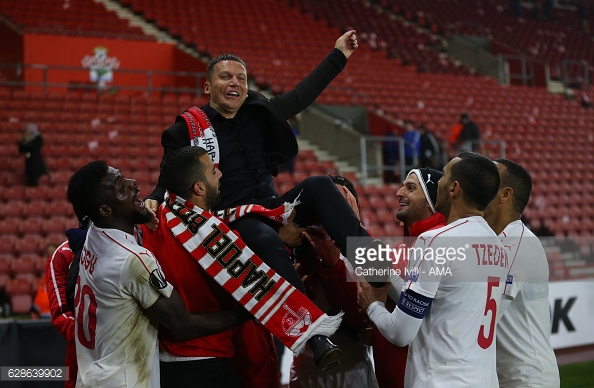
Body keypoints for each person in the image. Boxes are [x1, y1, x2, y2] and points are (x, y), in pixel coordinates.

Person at [141, 146, 345, 386]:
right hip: (209, 361)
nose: (220, 174)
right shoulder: (216, 235)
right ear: (199, 188)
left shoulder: (151, 224)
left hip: (164, 361)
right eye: (213, 171)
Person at [67, 160, 252, 388]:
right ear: (105, 210)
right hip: (124, 381)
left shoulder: (93, 237)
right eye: (121, 188)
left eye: (124, 178)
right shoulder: (134, 259)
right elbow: (184, 325)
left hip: (91, 376)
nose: (133, 185)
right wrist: (250, 310)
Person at [357, 152, 509, 387]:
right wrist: (386, 272)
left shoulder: (435, 240)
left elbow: (401, 333)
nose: (438, 182)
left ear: (454, 188)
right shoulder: (498, 246)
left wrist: (373, 306)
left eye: (444, 176)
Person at [289, 174, 378, 388]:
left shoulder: (366, 246)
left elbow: (360, 318)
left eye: (336, 201)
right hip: (307, 370)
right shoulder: (293, 245)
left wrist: (332, 265)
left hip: (352, 367)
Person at [482, 158, 560, 388]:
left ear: (505, 194)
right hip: (506, 378)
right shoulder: (493, 243)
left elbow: (483, 317)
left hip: (528, 380)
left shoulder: (517, 245)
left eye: (488, 181)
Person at [372, 168, 446, 388]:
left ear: (430, 202)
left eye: (411, 188)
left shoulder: (439, 245)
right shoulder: (399, 249)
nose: (399, 192)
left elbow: (418, 314)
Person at [46, 220, 88, 388]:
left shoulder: (131, 240)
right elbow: (61, 314)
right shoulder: (62, 255)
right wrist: (97, 336)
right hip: (82, 359)